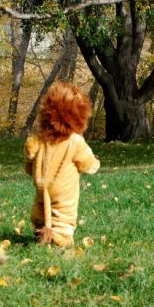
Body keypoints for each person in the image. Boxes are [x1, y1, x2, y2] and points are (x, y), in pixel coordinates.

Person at [24, 81, 100, 247]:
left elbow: (31, 152)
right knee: (64, 209)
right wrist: (94, 165)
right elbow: (88, 162)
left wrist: (30, 164)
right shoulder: (75, 141)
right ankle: (61, 236)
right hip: (64, 188)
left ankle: (41, 228)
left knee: (41, 204)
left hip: (42, 185)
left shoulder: (40, 138)